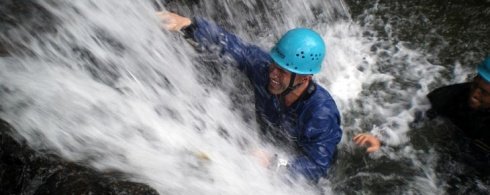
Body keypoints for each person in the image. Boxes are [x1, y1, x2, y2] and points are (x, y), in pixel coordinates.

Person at [158, 12, 342, 182]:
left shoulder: (321, 113)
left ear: (304, 78)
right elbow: (235, 47)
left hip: (300, 166)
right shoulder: (264, 69)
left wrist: (274, 163)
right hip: (269, 144)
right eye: (274, 64)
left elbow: (318, 166)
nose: (273, 74)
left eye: (282, 71)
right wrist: (190, 26)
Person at [353, 57, 490, 164]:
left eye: (484, 92)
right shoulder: (454, 96)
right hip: (459, 151)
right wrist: (379, 138)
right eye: (475, 85)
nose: (475, 94)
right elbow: (415, 113)